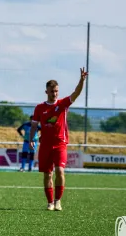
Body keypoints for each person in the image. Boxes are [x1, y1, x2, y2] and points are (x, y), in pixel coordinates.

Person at [29, 68, 88, 211]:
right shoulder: (39, 108)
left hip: (60, 143)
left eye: (56, 91)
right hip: (45, 145)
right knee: (47, 174)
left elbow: (76, 93)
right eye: (52, 91)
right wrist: (31, 139)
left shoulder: (62, 104)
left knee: (60, 171)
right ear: (46, 92)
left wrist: (81, 80)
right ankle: (50, 202)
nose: (54, 94)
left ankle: (58, 201)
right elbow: (34, 126)